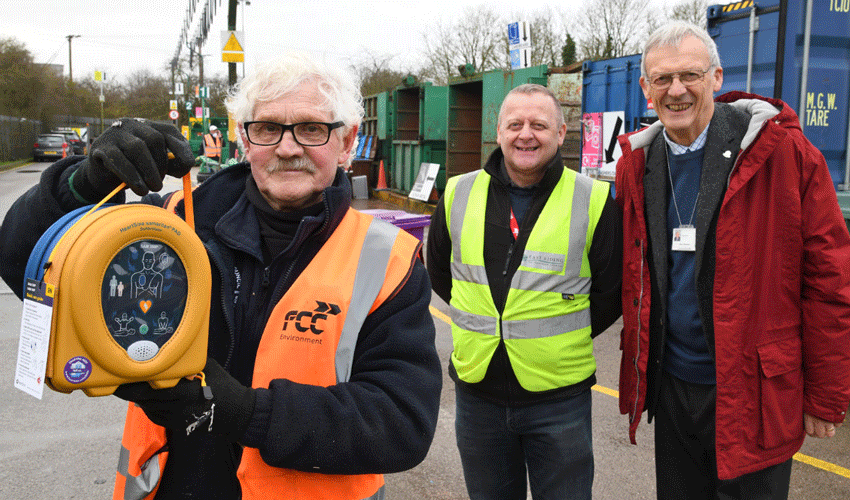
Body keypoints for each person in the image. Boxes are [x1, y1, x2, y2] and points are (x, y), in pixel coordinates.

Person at [0, 52, 442, 499]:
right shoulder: (168, 226)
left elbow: (401, 422)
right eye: (268, 128)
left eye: (311, 129)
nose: (287, 148)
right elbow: (26, 264)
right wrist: (81, 186)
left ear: (347, 143)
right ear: (244, 140)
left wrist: (249, 414)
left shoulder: (385, 260)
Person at [616, 21, 850, 499]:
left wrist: (826, 395)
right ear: (645, 88)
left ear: (717, 77)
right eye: (662, 79)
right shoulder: (637, 165)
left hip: (755, 395)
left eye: (690, 75)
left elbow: (830, 280)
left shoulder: (781, 152)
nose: (676, 90)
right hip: (674, 389)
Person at [426, 83, 622, 500]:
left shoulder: (595, 200)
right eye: (514, 124)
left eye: (538, 124)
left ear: (562, 131)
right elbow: (442, 276)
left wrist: (557, 339)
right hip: (478, 395)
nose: (525, 134)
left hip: (559, 400)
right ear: (498, 132)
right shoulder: (458, 193)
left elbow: (611, 292)